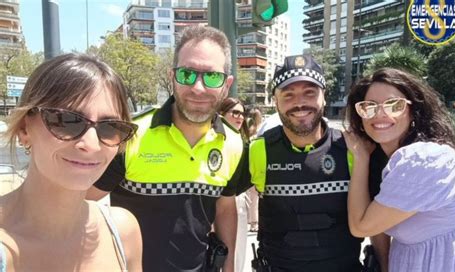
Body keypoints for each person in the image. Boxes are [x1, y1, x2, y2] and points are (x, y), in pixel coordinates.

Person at [87, 25, 245, 272]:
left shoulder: (234, 143)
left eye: (212, 77)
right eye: (187, 74)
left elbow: (225, 207)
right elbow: (77, 198)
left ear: (227, 84)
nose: (198, 88)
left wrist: (230, 266)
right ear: (172, 77)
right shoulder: (131, 135)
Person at [0, 53, 142, 271]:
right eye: (66, 121)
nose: (91, 144)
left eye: (110, 127)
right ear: (23, 129)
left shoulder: (122, 232)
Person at [238, 54, 364, 271]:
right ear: (274, 100)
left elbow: (377, 222)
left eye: (309, 92)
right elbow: (219, 200)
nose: (299, 103)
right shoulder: (258, 150)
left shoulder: (352, 149)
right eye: (288, 95)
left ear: (324, 97)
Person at [344, 68, 455, 272]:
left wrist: (360, 158)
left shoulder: (424, 159)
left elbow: (361, 226)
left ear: (414, 111)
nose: (380, 114)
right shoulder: (391, 162)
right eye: (368, 107)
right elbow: (379, 226)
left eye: (394, 105)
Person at [218, 97, 249, 272]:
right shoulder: (213, 141)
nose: (240, 117)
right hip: (216, 204)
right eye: (235, 112)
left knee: (236, 256)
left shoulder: (244, 142)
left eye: (243, 114)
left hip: (236, 202)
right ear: (221, 113)